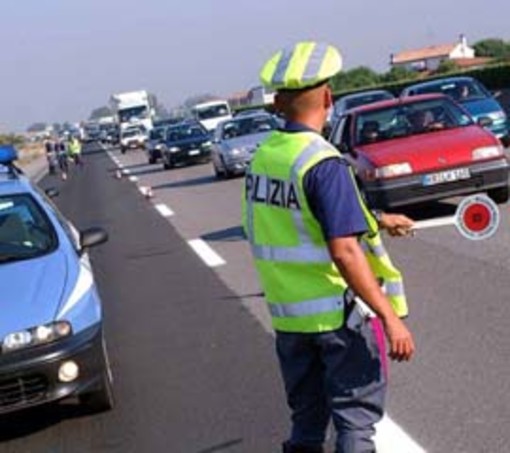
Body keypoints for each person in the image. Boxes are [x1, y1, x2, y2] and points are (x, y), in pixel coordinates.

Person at [242, 41, 416, 453]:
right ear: (327, 96)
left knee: (307, 423)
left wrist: (378, 221)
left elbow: (294, 221)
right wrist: (390, 318)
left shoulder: (265, 157)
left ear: (280, 102)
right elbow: (345, 251)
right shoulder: (323, 162)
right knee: (355, 424)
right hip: (339, 321)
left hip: (290, 322)